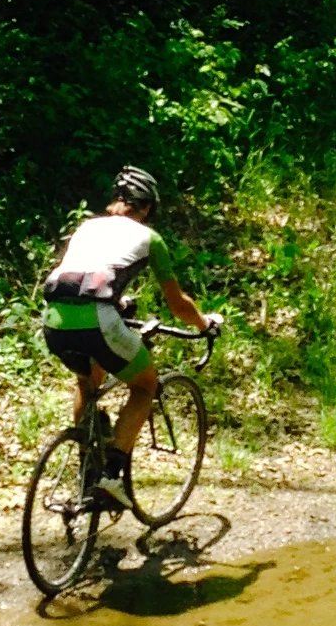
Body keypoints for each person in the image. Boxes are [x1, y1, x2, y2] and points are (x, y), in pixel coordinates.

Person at [39, 166, 216, 508]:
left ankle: (87, 467)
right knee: (145, 385)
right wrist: (203, 324)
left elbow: (81, 278)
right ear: (147, 207)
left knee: (87, 382)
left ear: (116, 200)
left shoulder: (87, 228)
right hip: (98, 320)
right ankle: (109, 478)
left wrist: (118, 302)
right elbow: (178, 304)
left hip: (54, 320)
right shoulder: (150, 238)